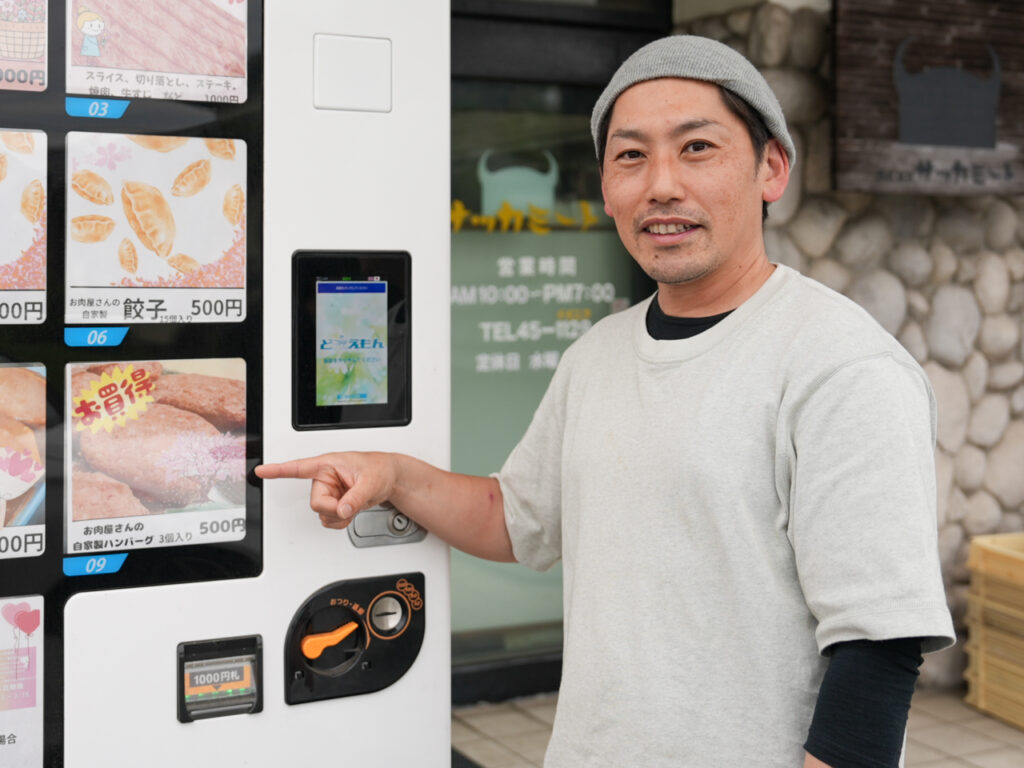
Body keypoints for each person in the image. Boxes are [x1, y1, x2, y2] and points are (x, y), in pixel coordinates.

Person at [258, 35, 954, 768]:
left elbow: (880, 645)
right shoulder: (599, 355)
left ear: (770, 168)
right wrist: (392, 473)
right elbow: (515, 518)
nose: (660, 186)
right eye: (631, 156)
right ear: (605, 189)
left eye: (697, 148)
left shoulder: (841, 366)